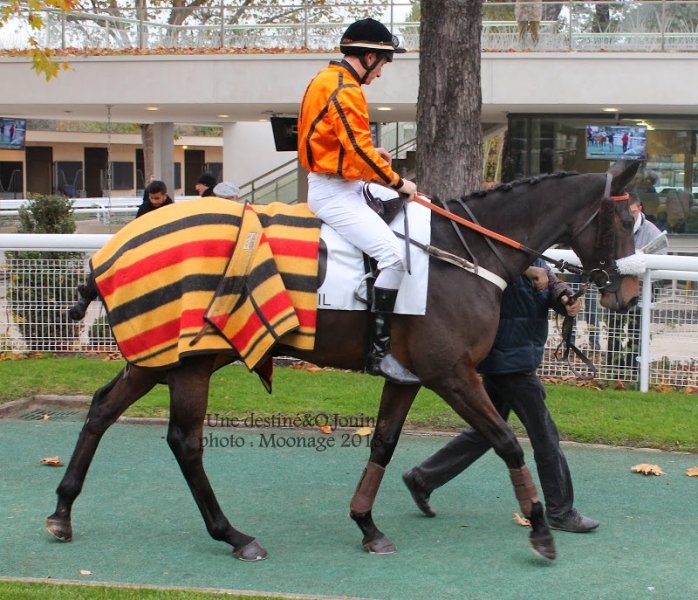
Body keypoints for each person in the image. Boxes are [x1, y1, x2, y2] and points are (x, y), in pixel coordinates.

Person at [402, 260, 600, 533]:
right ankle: (560, 511)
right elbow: (494, 269)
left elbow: (547, 279)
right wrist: (526, 270)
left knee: (488, 431)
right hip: (508, 361)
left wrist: (564, 297)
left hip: (512, 357)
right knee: (544, 435)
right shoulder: (502, 253)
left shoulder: (529, 251)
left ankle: (423, 478)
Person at [297, 17, 418, 385]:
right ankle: (378, 354)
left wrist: (373, 156)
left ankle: (372, 284)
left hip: (339, 182)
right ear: (368, 57)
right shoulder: (347, 90)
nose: (380, 73)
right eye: (383, 64)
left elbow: (341, 144)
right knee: (394, 257)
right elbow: (359, 152)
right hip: (334, 192)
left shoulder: (325, 79)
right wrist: (399, 182)